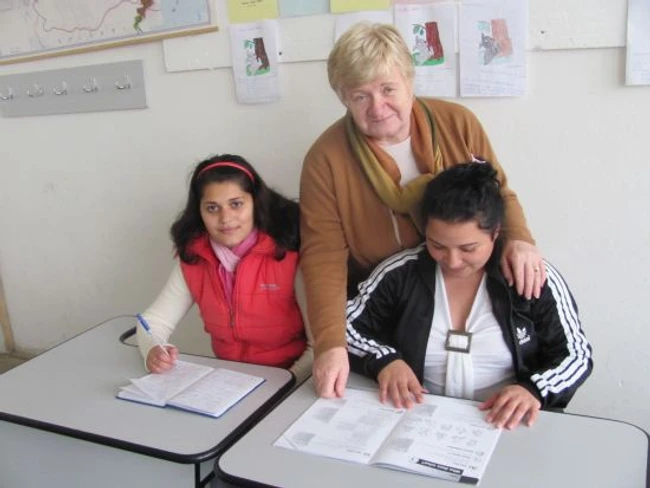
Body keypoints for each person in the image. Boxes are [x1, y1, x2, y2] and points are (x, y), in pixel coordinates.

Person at [300, 22, 547, 398]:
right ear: (343, 99)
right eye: (360, 96)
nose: (378, 107)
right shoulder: (325, 158)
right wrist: (330, 343)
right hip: (385, 308)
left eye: (388, 89)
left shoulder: (458, 124)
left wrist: (519, 239)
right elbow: (323, 257)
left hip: (467, 292)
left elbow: (497, 193)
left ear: (410, 81)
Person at [346, 162, 593, 429]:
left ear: (495, 233)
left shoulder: (532, 276)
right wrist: (385, 360)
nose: (452, 261)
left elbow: (575, 355)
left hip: (510, 424)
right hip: (417, 419)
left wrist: (533, 389)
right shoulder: (400, 273)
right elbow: (344, 326)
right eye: (437, 245)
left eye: (468, 248)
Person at [137, 154, 313, 383]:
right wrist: (153, 350)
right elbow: (153, 322)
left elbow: (319, 346)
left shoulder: (289, 253)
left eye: (236, 204)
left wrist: (283, 386)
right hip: (230, 384)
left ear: (255, 202)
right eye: (212, 208)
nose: (225, 218)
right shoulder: (194, 258)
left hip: (294, 382)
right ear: (199, 212)